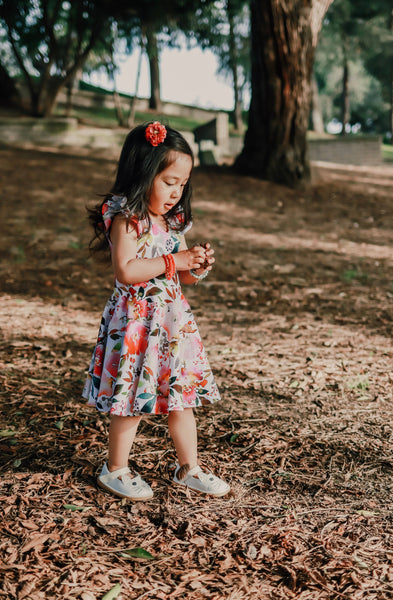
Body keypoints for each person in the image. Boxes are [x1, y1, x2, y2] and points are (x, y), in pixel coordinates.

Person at [82, 121, 230, 500]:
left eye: (182, 183)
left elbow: (180, 276)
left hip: (170, 325)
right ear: (142, 174)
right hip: (135, 326)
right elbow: (127, 270)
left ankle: (189, 468)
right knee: (130, 400)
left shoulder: (171, 222)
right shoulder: (125, 220)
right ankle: (115, 469)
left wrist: (194, 267)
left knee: (181, 398)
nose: (176, 191)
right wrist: (174, 259)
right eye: (169, 181)